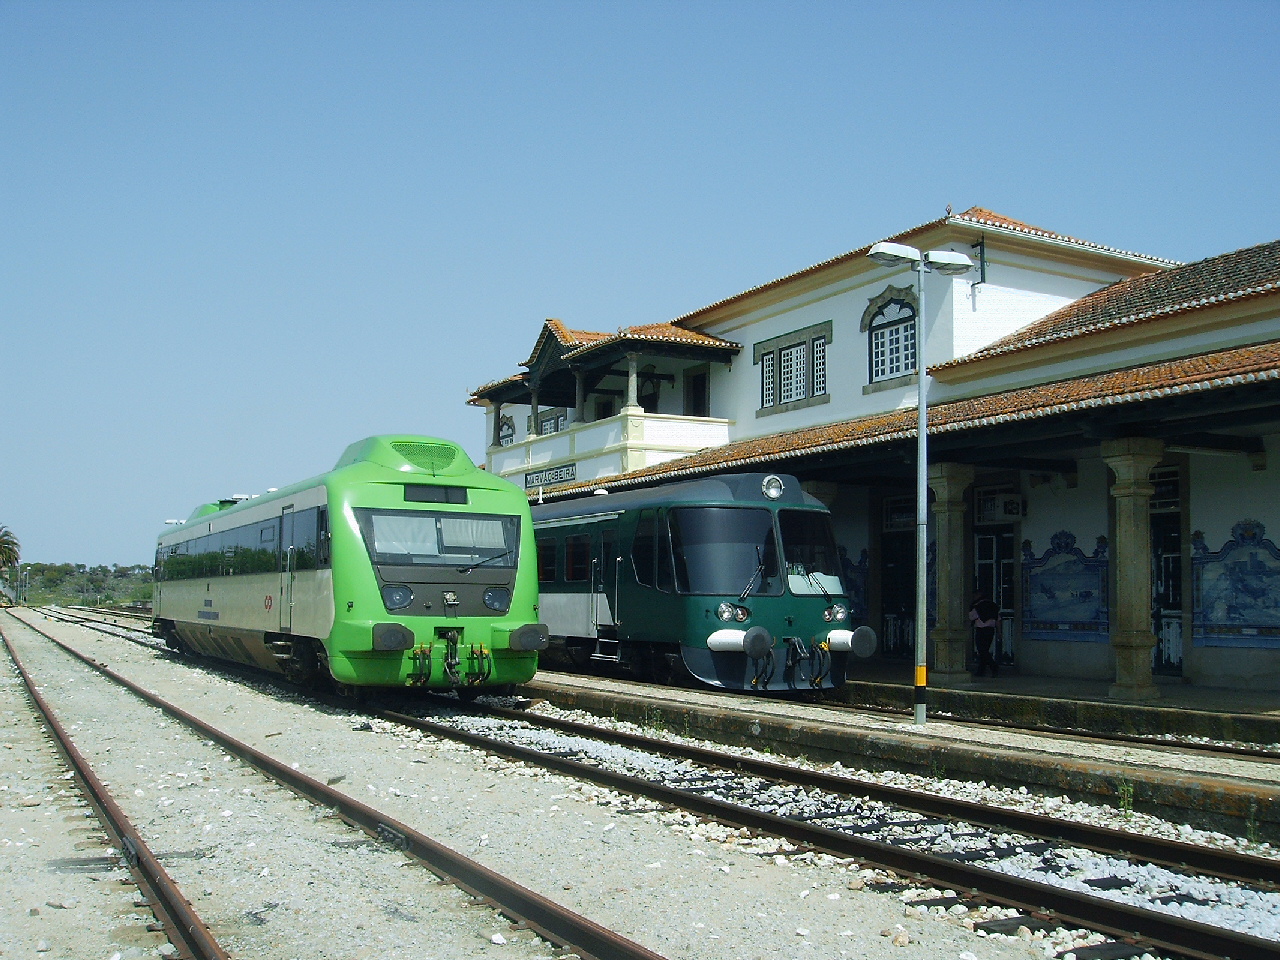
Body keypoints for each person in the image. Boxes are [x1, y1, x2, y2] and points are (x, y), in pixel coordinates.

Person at [969, 592, 1000, 678]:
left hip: (981, 630)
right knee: (984, 650)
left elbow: (971, 617)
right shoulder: (993, 606)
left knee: (982, 650)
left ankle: (993, 666)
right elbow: (998, 620)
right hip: (990, 630)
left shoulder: (978, 606)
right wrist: (999, 632)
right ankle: (981, 670)